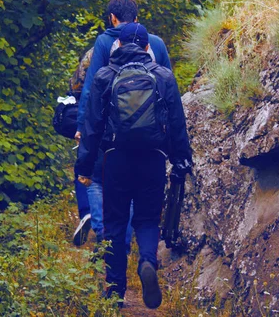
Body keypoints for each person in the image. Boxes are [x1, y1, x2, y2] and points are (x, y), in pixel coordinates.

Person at [75, 23, 192, 309]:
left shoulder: (104, 76)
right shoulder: (163, 76)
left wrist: (84, 168)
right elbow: (177, 123)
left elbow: (92, 127)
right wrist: (181, 159)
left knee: (115, 223)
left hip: (115, 160)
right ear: (147, 47)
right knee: (147, 220)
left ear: (118, 46)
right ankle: (147, 262)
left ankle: (115, 291)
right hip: (153, 158)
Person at [75, 0, 171, 245]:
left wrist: (82, 127)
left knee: (98, 179)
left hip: (111, 136)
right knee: (135, 188)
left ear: (111, 18)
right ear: (137, 18)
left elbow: (90, 89)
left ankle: (109, 240)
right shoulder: (156, 44)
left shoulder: (105, 43)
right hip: (152, 137)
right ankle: (130, 244)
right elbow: (169, 89)